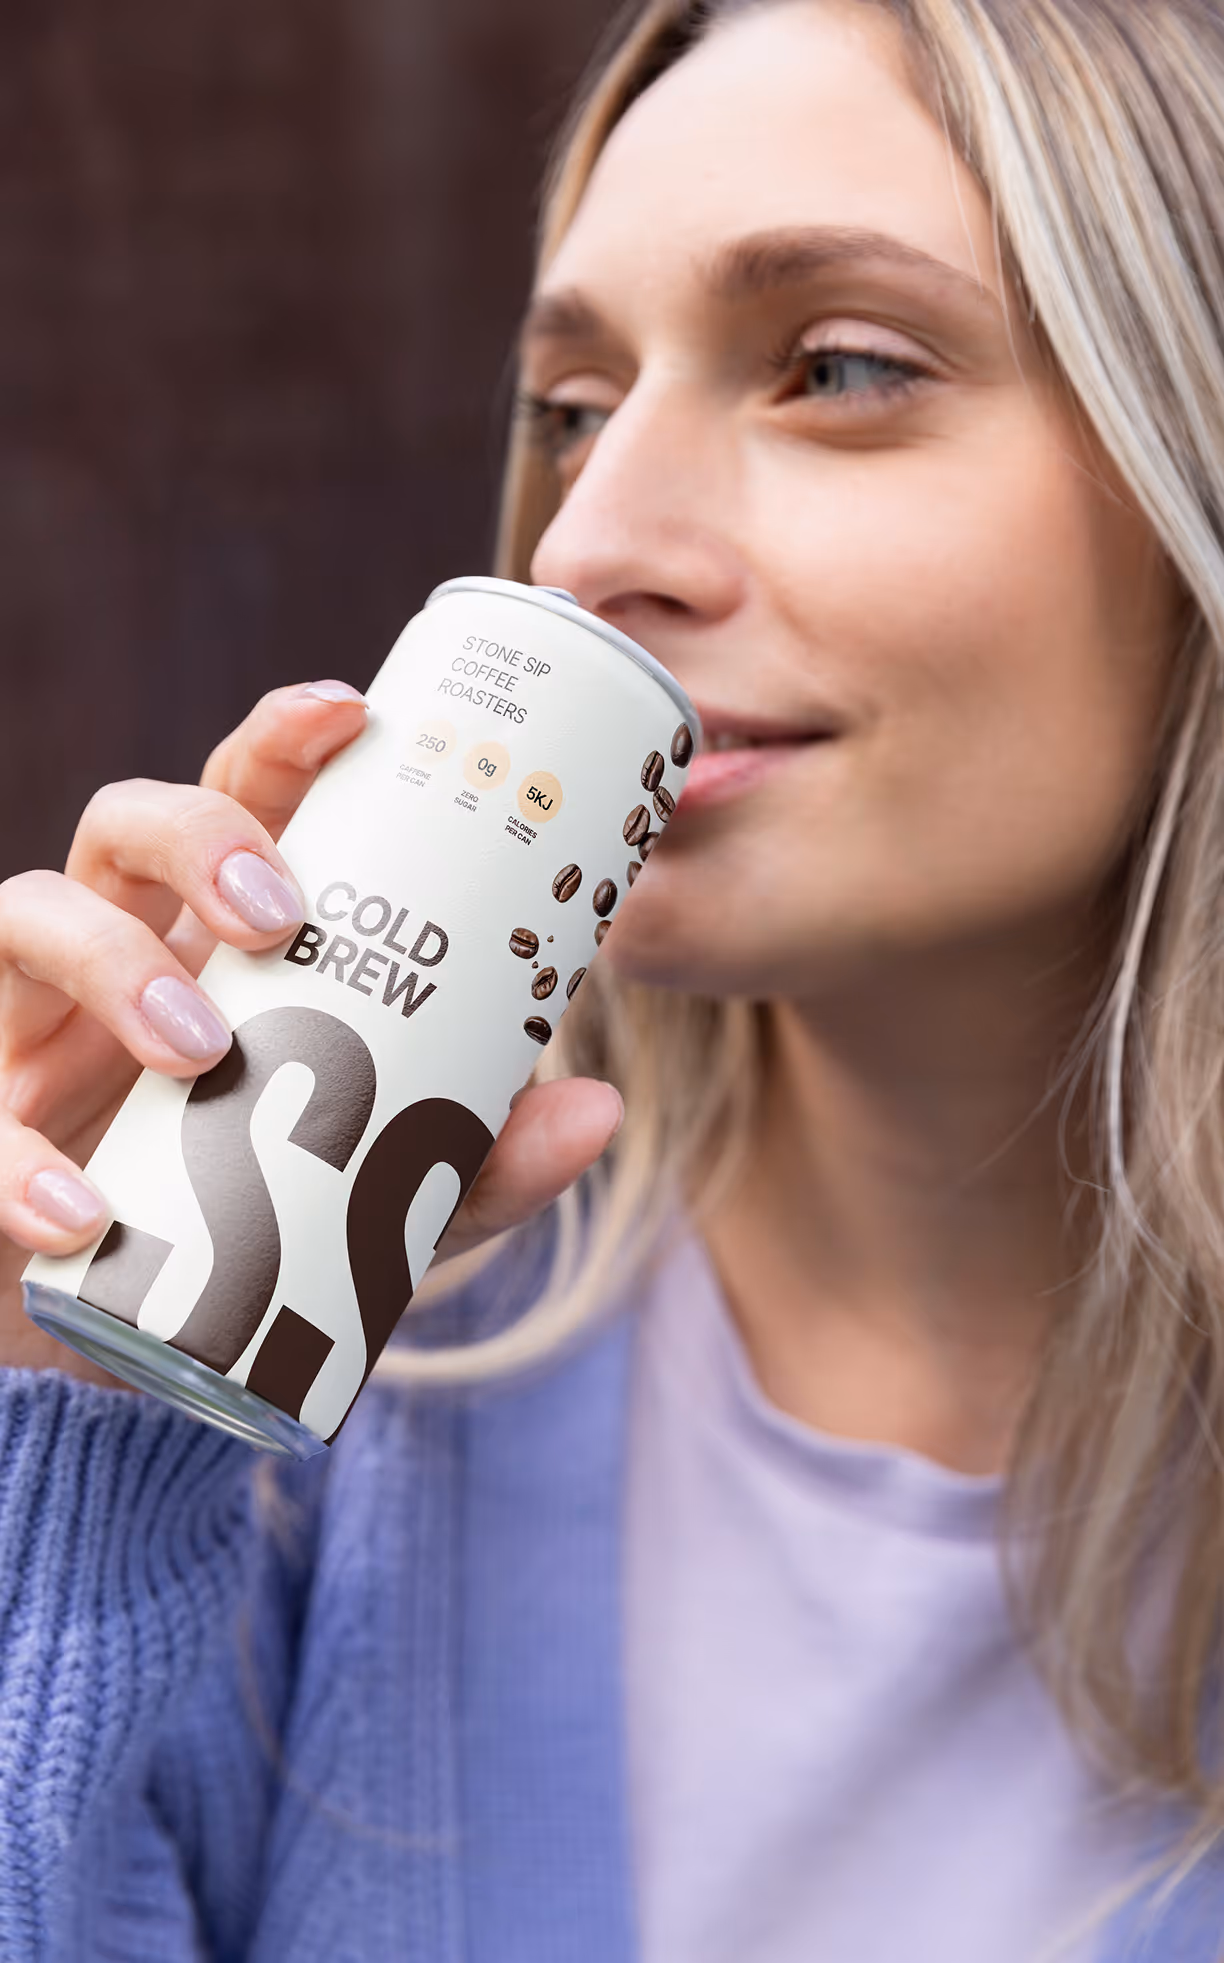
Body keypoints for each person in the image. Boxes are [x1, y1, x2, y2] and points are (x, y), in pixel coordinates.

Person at [2, 0, 1224, 1954]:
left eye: (839, 367)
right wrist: (55, 1438)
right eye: (571, 407)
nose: (591, 544)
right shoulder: (314, 1426)